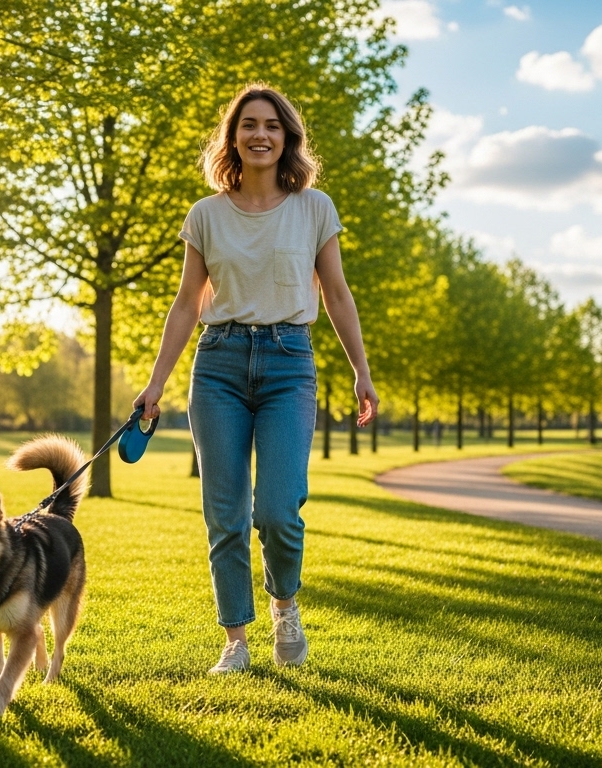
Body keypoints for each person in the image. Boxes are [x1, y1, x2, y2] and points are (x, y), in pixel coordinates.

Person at [133, 84, 378, 674]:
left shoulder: (314, 208)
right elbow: (187, 304)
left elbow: (337, 293)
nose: (260, 134)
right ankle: (235, 640)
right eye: (248, 124)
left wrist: (361, 372)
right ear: (233, 136)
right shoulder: (206, 215)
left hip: (289, 364)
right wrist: (156, 383)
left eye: (271, 125)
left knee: (277, 509)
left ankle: (284, 608)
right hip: (217, 364)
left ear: (287, 137)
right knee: (225, 515)